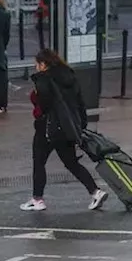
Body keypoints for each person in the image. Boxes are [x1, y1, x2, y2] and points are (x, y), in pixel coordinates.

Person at [19, 49, 108, 212]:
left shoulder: (44, 79)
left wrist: (36, 102)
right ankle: (96, 192)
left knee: (39, 161)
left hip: (47, 127)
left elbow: (43, 105)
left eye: (36, 65)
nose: (36, 68)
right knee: (71, 162)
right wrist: (80, 125)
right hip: (67, 127)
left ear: (43, 64)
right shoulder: (70, 77)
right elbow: (80, 102)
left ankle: (37, 199)